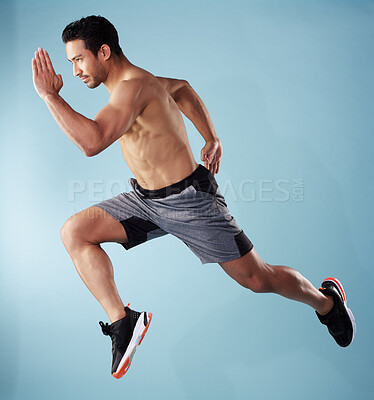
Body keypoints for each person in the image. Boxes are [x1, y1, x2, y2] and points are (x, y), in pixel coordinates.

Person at [31, 15, 356, 379]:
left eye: (78, 59)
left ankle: (327, 302)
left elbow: (92, 141)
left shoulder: (133, 87)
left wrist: (49, 96)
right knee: (74, 232)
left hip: (191, 202)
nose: (74, 71)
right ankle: (124, 323)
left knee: (257, 278)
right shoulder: (138, 84)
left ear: (103, 52)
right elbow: (182, 88)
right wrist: (211, 137)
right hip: (146, 201)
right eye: (70, 61)